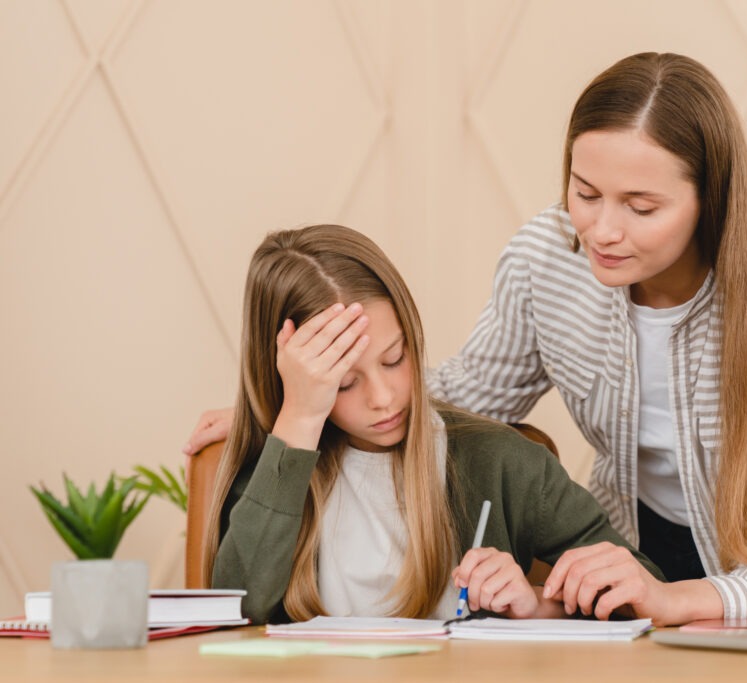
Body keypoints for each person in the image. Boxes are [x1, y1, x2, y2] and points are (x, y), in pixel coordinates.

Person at [187, 52, 747, 626]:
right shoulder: (547, 261)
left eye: (642, 207)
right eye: (584, 192)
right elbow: (457, 394)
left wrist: (674, 597)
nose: (602, 231)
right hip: (631, 565)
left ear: (713, 200)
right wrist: (292, 408)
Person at [204, 224, 661, 625]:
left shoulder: (502, 462)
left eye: (395, 358)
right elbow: (240, 610)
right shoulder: (272, 471)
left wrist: (537, 602)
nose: (383, 399)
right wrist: (299, 420)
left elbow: (644, 590)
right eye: (343, 383)